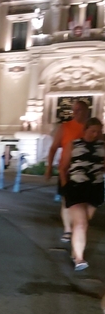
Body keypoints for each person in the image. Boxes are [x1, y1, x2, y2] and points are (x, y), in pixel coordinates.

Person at [58, 117, 104, 271]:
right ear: (85, 130)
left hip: (95, 188)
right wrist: (65, 188)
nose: (95, 134)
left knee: (83, 224)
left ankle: (75, 251)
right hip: (76, 187)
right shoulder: (74, 144)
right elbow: (63, 167)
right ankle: (79, 258)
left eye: (98, 131)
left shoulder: (102, 146)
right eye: (92, 131)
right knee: (81, 223)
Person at [45, 100, 90, 242]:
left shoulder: (92, 128)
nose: (75, 113)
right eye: (74, 110)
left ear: (87, 111)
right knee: (67, 200)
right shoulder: (65, 127)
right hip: (68, 171)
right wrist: (49, 167)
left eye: (79, 110)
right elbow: (53, 148)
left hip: (87, 172)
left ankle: (79, 225)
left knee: (84, 202)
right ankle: (68, 230)